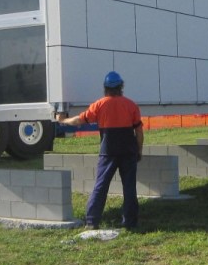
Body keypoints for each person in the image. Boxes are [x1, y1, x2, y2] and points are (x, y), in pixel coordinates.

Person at [56, 71, 144, 229]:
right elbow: (139, 132)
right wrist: (138, 151)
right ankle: (130, 223)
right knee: (129, 187)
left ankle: (92, 221)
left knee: (101, 186)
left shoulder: (99, 105)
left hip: (108, 152)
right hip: (128, 151)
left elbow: (79, 120)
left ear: (105, 88)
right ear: (121, 87)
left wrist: (63, 120)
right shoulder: (131, 105)